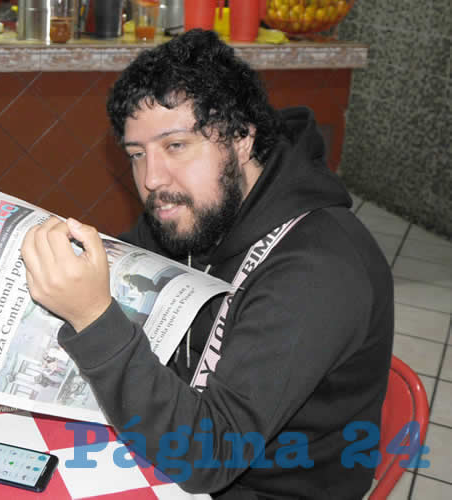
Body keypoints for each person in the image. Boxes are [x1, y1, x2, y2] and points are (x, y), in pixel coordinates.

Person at [20, 30, 393, 499]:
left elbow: (207, 458)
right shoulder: (193, 210)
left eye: (176, 145)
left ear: (240, 138)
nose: (152, 178)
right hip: (164, 448)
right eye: (137, 155)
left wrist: (93, 318)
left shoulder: (319, 270)